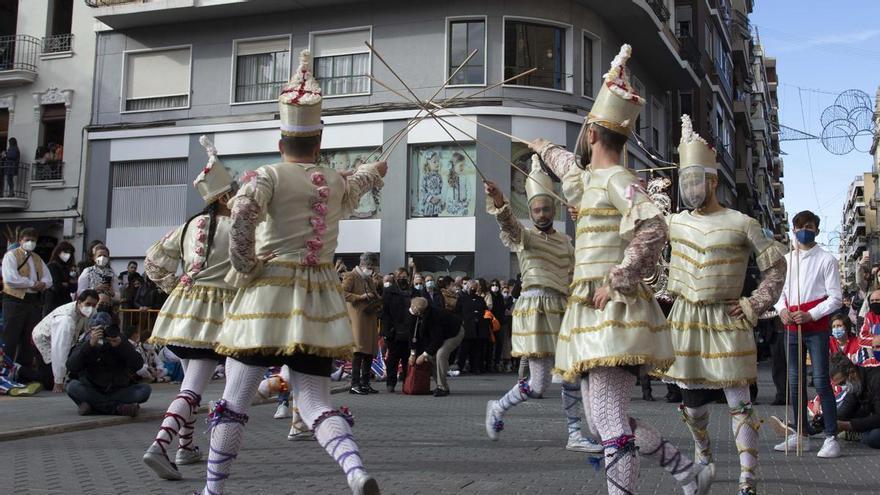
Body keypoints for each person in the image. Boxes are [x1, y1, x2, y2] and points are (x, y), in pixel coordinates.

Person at [198, 50, 385, 495]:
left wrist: (244, 265)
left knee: (235, 401)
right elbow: (355, 183)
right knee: (316, 401)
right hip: (318, 301)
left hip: (265, 299)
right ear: (318, 142)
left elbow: (241, 213)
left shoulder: (267, 175)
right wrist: (374, 172)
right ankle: (355, 470)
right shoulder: (334, 181)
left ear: (281, 139)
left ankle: (212, 490)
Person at [531, 44, 712, 495]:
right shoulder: (594, 180)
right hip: (593, 311)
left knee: (608, 419)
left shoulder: (618, 179)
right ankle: (685, 471)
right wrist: (542, 147)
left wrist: (619, 279)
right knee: (599, 419)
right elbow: (568, 170)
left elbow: (653, 226)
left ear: (592, 135)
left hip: (614, 310)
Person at [656, 116, 787, 495]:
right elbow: (642, 242)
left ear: (713, 181)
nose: (691, 187)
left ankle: (748, 477)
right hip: (686, 321)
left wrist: (754, 302)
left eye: (697, 179)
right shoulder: (673, 223)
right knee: (693, 405)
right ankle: (703, 455)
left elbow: (776, 267)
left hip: (728, 321)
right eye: (686, 180)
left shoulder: (742, 223)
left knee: (739, 403)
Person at [483, 159, 600, 454]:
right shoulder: (525, 237)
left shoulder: (565, 241)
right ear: (531, 211)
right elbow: (507, 222)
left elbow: (578, 272)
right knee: (537, 385)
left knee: (571, 373)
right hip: (535, 308)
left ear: (554, 208)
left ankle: (574, 433)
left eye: (546, 208)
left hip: (562, 309)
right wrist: (498, 199)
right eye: (536, 209)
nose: (542, 214)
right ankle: (498, 407)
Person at [141, 136, 238, 481]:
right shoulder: (238, 227)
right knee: (193, 386)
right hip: (215, 319)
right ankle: (160, 444)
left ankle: (185, 447)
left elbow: (153, 262)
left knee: (188, 380)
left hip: (180, 314)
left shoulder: (188, 225)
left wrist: (177, 287)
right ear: (226, 197)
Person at [772, 210, 843, 458]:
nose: (805, 230)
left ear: (817, 230)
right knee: (794, 381)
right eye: (800, 226)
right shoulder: (786, 259)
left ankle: (831, 437)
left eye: (810, 226)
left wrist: (811, 314)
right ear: (793, 230)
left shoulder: (827, 259)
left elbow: (836, 298)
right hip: (791, 327)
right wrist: (781, 310)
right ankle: (801, 433)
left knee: (822, 379)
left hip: (816, 328)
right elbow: (778, 293)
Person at [66, 316, 151, 416]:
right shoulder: (86, 341)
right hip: (93, 389)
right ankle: (118, 408)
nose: (102, 333)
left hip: (118, 389)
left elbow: (138, 364)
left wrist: (121, 346)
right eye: (97, 330)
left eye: (105, 329)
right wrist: (89, 345)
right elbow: (71, 366)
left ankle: (93, 407)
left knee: (144, 390)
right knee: (72, 387)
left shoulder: (120, 340)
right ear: (91, 330)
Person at [2, 227, 52, 365]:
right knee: (10, 337)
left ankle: (24, 371)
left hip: (32, 302)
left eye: (33, 240)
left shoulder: (37, 258)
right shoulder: (11, 255)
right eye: (27, 240)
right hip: (14, 300)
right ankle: (5, 370)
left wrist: (43, 284)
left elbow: (48, 279)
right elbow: (10, 278)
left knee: (29, 339)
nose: (30, 242)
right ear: (20, 241)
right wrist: (32, 283)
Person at [31, 289, 99, 391]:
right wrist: (58, 381)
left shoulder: (87, 311)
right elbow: (60, 349)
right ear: (79, 302)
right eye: (88, 304)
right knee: (49, 382)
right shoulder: (65, 320)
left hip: (69, 340)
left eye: (94, 305)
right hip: (44, 341)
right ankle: (20, 371)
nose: (91, 308)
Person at [343, 252, 382, 395]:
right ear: (362, 264)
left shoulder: (369, 278)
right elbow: (342, 292)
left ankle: (365, 383)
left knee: (369, 352)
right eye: (370, 265)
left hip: (370, 316)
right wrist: (361, 297)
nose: (371, 268)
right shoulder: (351, 275)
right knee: (358, 351)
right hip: (357, 318)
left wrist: (378, 299)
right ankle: (354, 383)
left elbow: (374, 294)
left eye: (373, 265)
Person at [407, 297, 463, 396]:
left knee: (440, 354)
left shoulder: (434, 317)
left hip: (454, 333)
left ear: (421, 312)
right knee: (431, 357)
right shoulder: (414, 313)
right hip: (441, 335)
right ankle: (441, 385)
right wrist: (413, 353)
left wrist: (424, 355)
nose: (411, 310)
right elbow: (412, 334)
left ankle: (442, 388)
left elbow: (437, 340)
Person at [830, 353, 880, 448]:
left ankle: (860, 435)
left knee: (874, 437)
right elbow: (844, 412)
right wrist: (824, 422)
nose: (843, 386)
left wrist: (849, 425)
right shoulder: (856, 383)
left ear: (852, 372)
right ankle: (860, 433)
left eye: (843, 383)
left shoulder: (876, 380)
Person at [381, 267, 413, 392]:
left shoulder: (414, 292)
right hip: (393, 331)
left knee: (407, 360)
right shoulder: (389, 292)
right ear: (395, 277)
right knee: (392, 359)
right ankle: (391, 383)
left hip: (409, 331)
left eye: (404, 276)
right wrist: (387, 330)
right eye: (400, 276)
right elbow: (385, 313)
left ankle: (407, 383)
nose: (402, 279)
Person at [455, 279, 488, 374]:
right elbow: (457, 312)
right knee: (464, 349)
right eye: (471, 287)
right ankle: (460, 367)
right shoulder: (462, 299)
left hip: (478, 328)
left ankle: (475, 367)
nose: (473, 289)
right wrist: (462, 321)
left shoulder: (480, 300)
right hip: (467, 328)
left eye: (475, 287)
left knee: (477, 349)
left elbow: (485, 311)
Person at [44, 241, 77, 314]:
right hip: (53, 303)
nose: (68, 255)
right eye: (65, 252)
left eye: (70, 253)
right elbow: (57, 286)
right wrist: (67, 284)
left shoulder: (69, 268)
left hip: (65, 303)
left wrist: (66, 284)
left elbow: (74, 287)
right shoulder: (52, 266)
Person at [850, 289, 880, 367]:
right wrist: (877, 340)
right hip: (873, 362)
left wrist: (873, 338)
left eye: (877, 300)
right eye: (872, 301)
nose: (874, 303)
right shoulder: (869, 316)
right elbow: (862, 339)